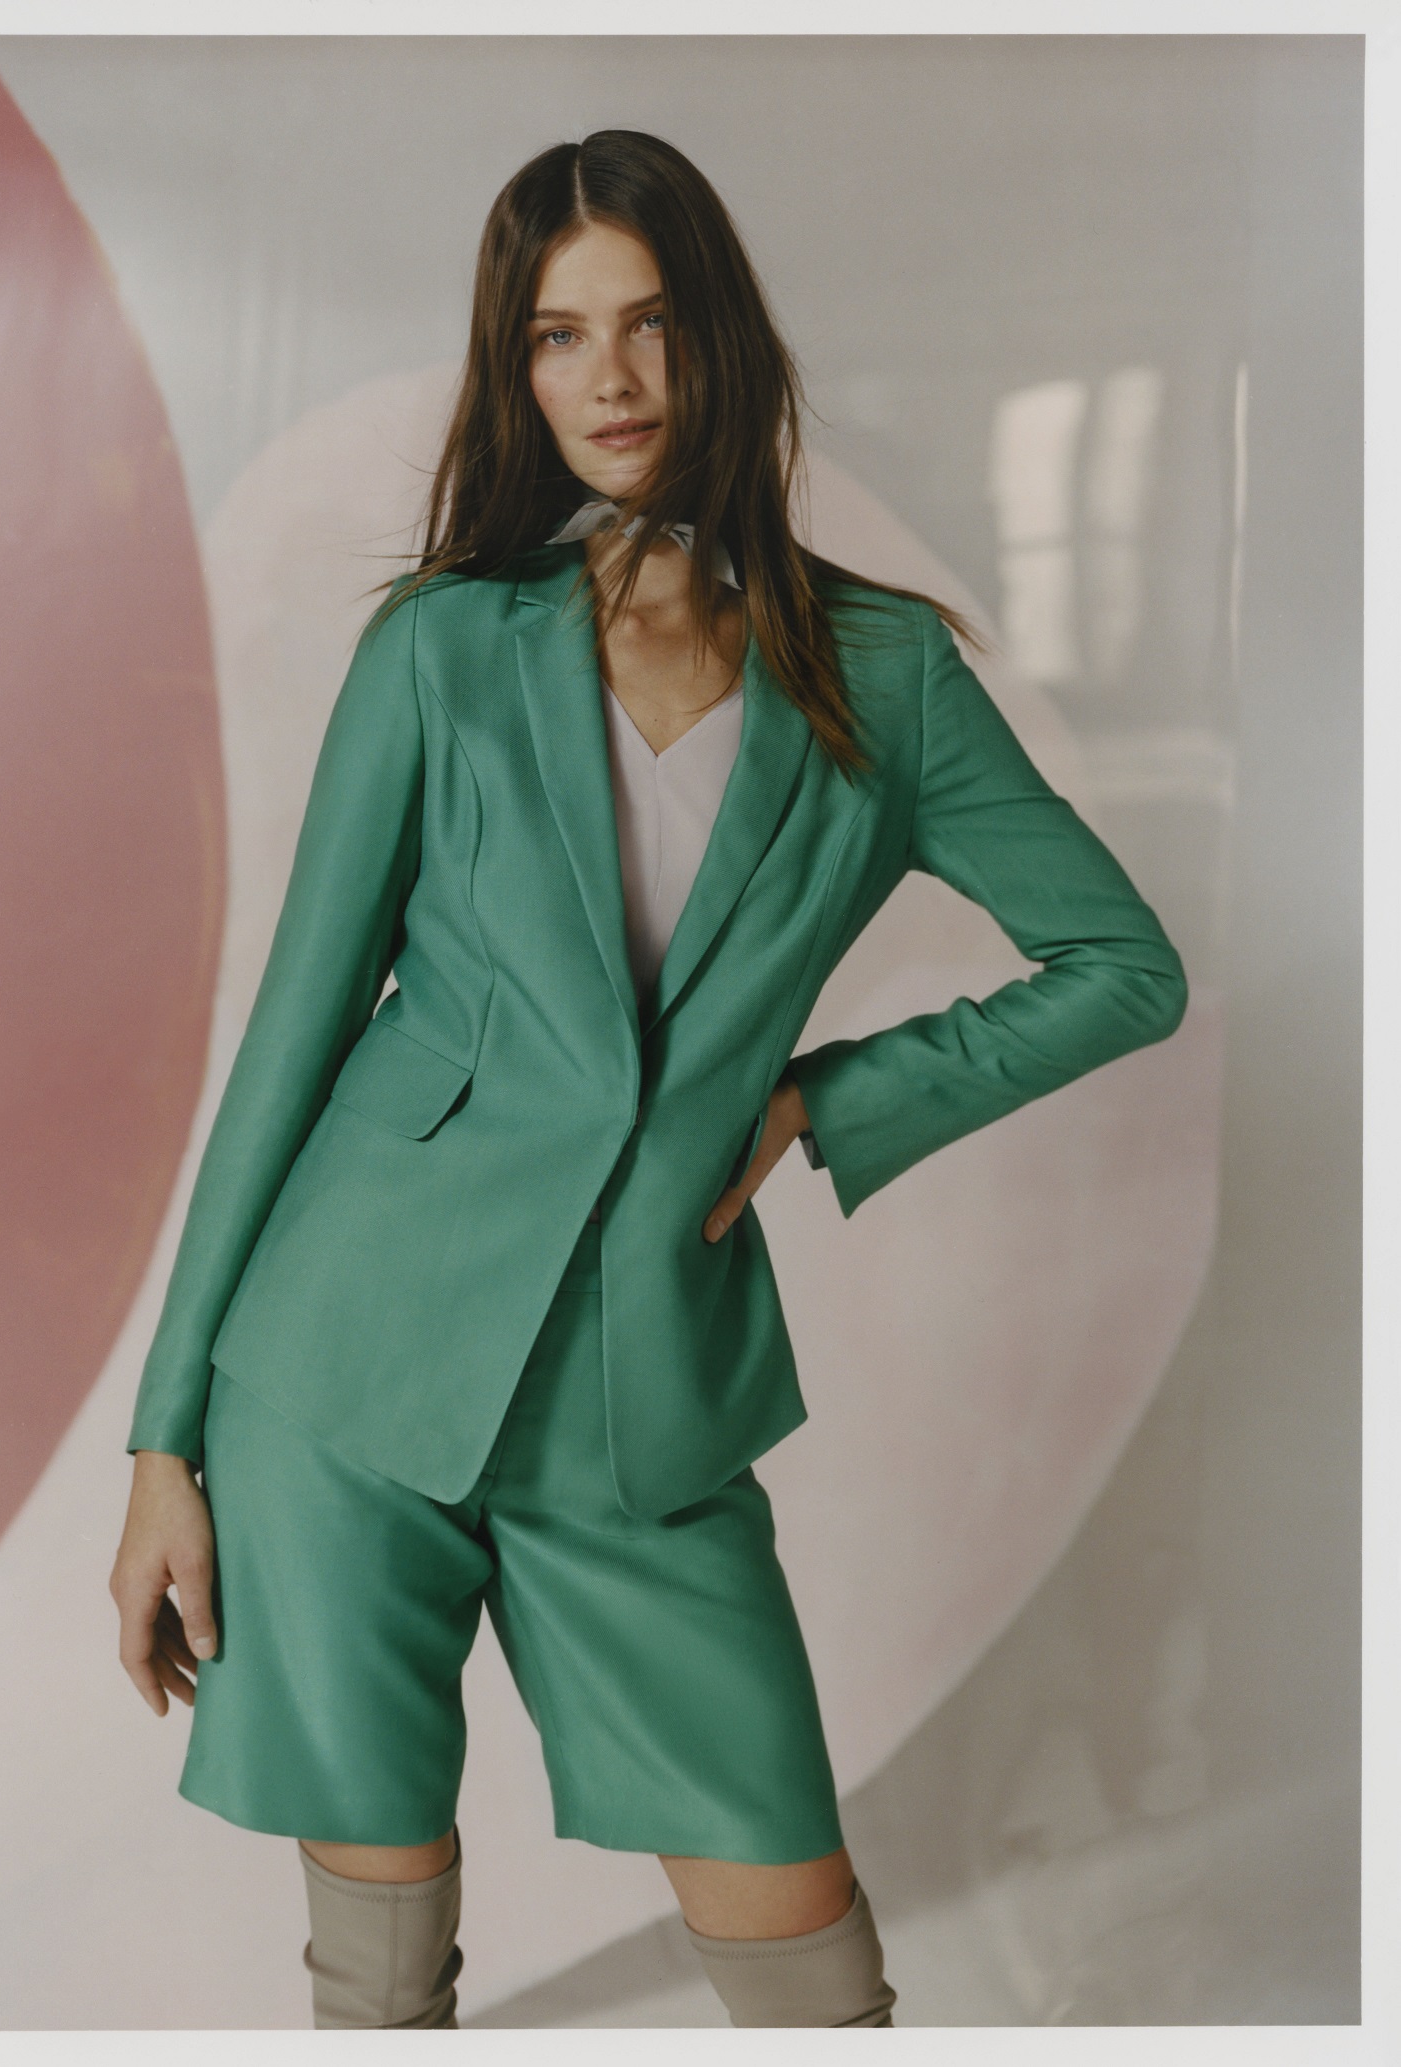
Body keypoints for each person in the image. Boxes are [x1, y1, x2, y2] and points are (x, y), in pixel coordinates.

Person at [109, 129, 1188, 2031]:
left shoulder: (887, 676)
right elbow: (291, 1040)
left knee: (807, 1965)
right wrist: (163, 1444)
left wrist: (822, 1101)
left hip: (644, 1403)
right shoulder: (443, 648)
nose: (607, 378)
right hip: (345, 1372)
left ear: (722, 342)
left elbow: (1123, 970)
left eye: (650, 323)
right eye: (556, 335)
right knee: (379, 1977)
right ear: (514, 369)